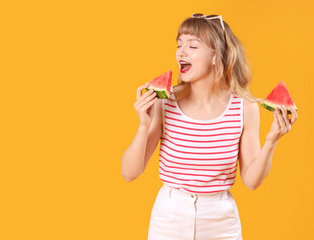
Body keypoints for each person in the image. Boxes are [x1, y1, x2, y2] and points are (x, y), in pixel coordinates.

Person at [121, 13, 298, 240]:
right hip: (169, 220)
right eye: (179, 45)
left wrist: (271, 141)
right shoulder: (165, 102)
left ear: (216, 56)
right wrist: (143, 127)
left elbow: (252, 181)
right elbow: (128, 173)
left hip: (221, 223)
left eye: (192, 46)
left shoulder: (244, 108)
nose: (181, 53)